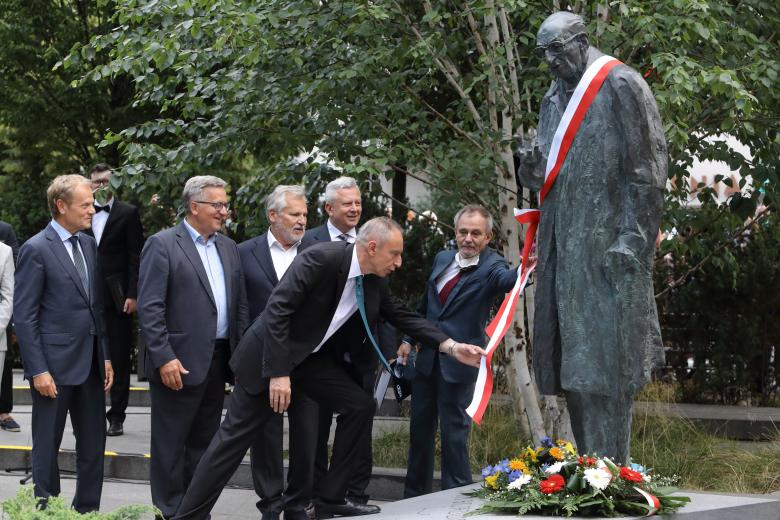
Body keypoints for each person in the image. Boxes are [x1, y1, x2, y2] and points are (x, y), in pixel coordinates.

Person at [173, 217, 486, 520]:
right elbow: (278, 310)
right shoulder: (321, 259)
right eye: (395, 253)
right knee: (229, 445)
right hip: (269, 359)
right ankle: (187, 516)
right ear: (373, 247)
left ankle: (331, 499)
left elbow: (402, 316)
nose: (399, 262)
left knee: (360, 406)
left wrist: (452, 347)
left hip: (309, 361)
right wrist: (279, 373)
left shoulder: (375, 279)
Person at [515, 11, 666, 462]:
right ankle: (591, 470)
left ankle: (613, 472)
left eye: (557, 52)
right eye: (544, 55)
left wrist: (633, 240)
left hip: (608, 250)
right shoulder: (551, 97)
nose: (551, 62)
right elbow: (545, 177)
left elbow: (650, 170)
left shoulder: (621, 84)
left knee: (609, 364)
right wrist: (528, 169)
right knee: (573, 364)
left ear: (581, 42)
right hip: (564, 247)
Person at [138, 175, 249, 519]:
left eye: (225, 204)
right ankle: (169, 513)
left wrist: (241, 357)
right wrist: (164, 357)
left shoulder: (228, 246)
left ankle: (195, 511)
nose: (224, 211)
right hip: (177, 364)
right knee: (170, 447)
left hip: (218, 361)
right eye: (217, 204)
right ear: (194, 206)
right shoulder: (163, 244)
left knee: (204, 445)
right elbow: (150, 307)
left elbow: (240, 305)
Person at [401, 204, 518, 497]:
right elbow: (425, 307)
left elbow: (509, 281)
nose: (468, 238)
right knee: (419, 435)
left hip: (461, 364)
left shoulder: (493, 266)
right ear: (455, 232)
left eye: (476, 233)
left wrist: (527, 268)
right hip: (427, 360)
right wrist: (407, 338)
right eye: (463, 232)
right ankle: (414, 499)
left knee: (454, 438)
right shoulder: (442, 258)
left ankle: (456, 502)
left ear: (488, 236)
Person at [14, 174, 114, 512]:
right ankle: (47, 512)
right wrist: (38, 369)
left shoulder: (88, 244)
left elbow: (95, 305)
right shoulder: (36, 249)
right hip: (52, 371)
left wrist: (107, 357)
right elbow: (24, 317)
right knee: (47, 447)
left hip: (90, 364)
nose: (93, 210)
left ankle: (87, 512)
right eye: (85, 205)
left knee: (92, 447)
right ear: (61, 206)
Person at [301, 176, 387, 507]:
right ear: (328, 208)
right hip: (317, 357)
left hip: (359, 356)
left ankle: (355, 494)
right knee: (315, 430)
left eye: (358, 203)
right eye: (347, 203)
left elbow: (384, 303)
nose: (354, 209)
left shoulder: (370, 243)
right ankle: (316, 497)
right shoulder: (309, 242)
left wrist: (387, 351)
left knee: (360, 422)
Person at [237, 185, 316, 520]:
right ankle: (270, 504)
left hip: (308, 361)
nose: (301, 221)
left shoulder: (318, 250)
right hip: (263, 360)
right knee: (266, 435)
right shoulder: (243, 252)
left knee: (307, 433)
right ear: (273, 215)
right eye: (294, 214)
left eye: (304, 215)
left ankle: (298, 502)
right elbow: (240, 308)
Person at [85, 163, 144, 437]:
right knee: (90, 353)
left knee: (119, 356)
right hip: (86, 294)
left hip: (118, 296)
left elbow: (136, 256)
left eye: (106, 181)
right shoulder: (82, 213)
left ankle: (116, 416)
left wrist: (133, 293)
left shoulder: (128, 213)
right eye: (96, 181)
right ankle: (91, 412)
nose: (100, 186)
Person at [0, 221, 20, 432]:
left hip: (0, 316)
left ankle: (3, 412)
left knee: (5, 366)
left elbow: (15, 263)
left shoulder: (5, 230)